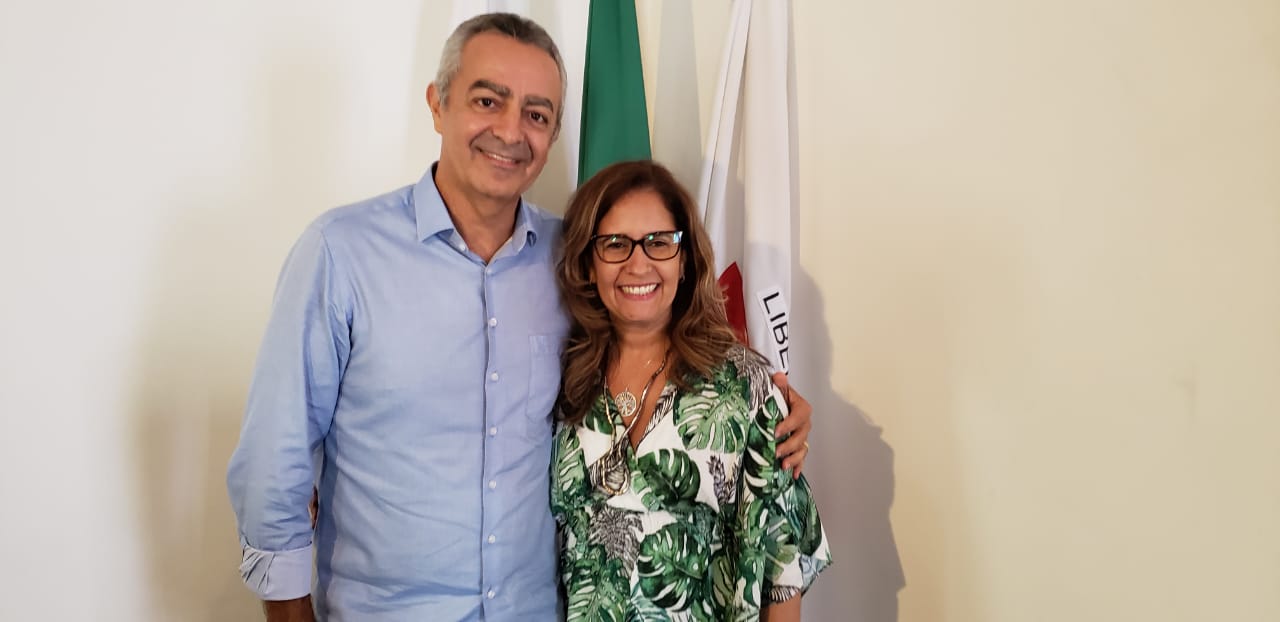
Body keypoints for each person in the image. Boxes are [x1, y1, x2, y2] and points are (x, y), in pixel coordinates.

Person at [225, 13, 814, 622]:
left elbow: (661, 347)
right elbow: (274, 463)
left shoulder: (577, 260)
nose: (510, 131)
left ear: (554, 133)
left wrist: (772, 405)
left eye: (536, 114)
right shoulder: (340, 255)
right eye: (488, 100)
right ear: (437, 104)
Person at [551, 160, 831, 621]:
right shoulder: (562, 379)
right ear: (588, 263)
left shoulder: (741, 384)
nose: (638, 263)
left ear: (684, 261)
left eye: (659, 242)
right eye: (615, 244)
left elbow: (781, 570)